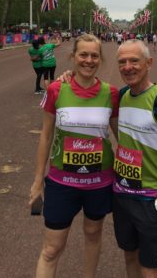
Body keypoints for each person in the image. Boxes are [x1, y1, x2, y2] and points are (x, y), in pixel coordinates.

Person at [29, 34, 119, 278]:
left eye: (94, 56)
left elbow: (121, 136)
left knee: (92, 235)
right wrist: (38, 181)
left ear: (100, 59)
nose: (89, 60)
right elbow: (45, 136)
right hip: (61, 184)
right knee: (51, 249)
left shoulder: (111, 94)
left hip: (98, 183)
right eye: (83, 55)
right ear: (73, 57)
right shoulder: (57, 89)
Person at [113, 39, 157, 278]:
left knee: (151, 268)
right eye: (122, 62)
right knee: (129, 255)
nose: (128, 67)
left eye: (134, 60)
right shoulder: (122, 96)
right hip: (123, 195)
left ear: (149, 63)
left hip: (149, 199)